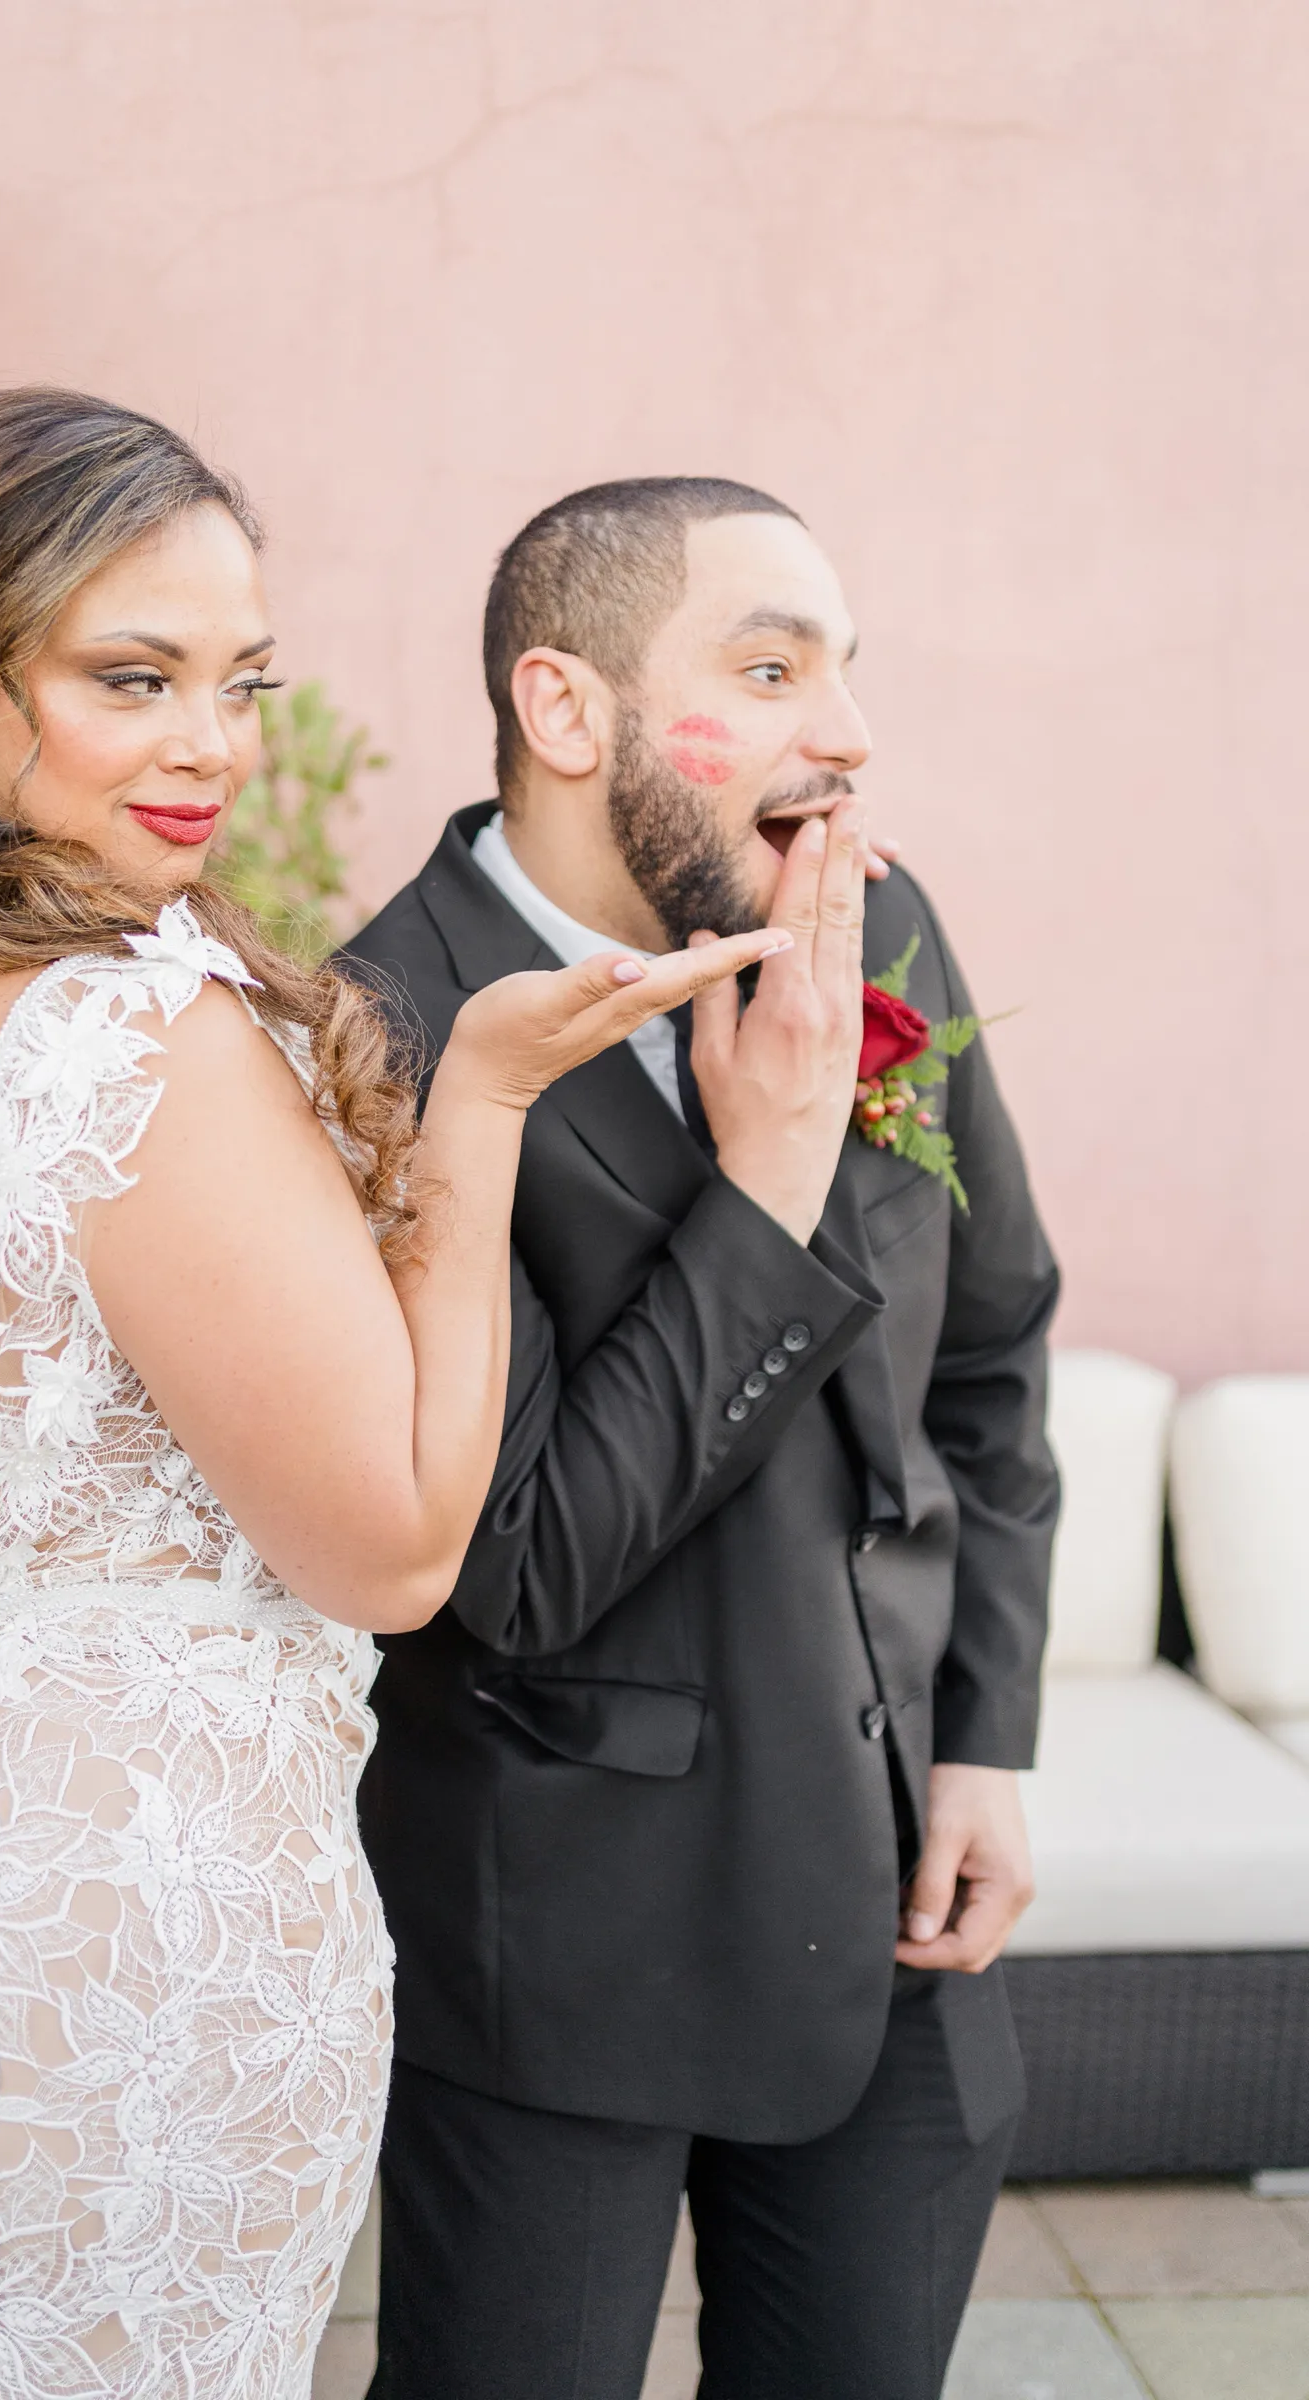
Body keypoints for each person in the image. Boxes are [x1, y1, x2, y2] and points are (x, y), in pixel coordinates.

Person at [0, 400, 781, 2400]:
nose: (214, 744)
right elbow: (396, 1548)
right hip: (103, 1933)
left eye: (242, 682)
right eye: (134, 680)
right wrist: (480, 1099)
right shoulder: (139, 1036)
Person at [342, 478, 1061, 2400]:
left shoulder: (878, 921)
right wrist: (766, 1185)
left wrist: (983, 1738)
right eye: (769, 669)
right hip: (563, 1950)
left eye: (845, 666)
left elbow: (991, 1356)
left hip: (898, 1915)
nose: (849, 731)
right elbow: (514, 1564)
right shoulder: (377, 1030)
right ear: (566, 709)